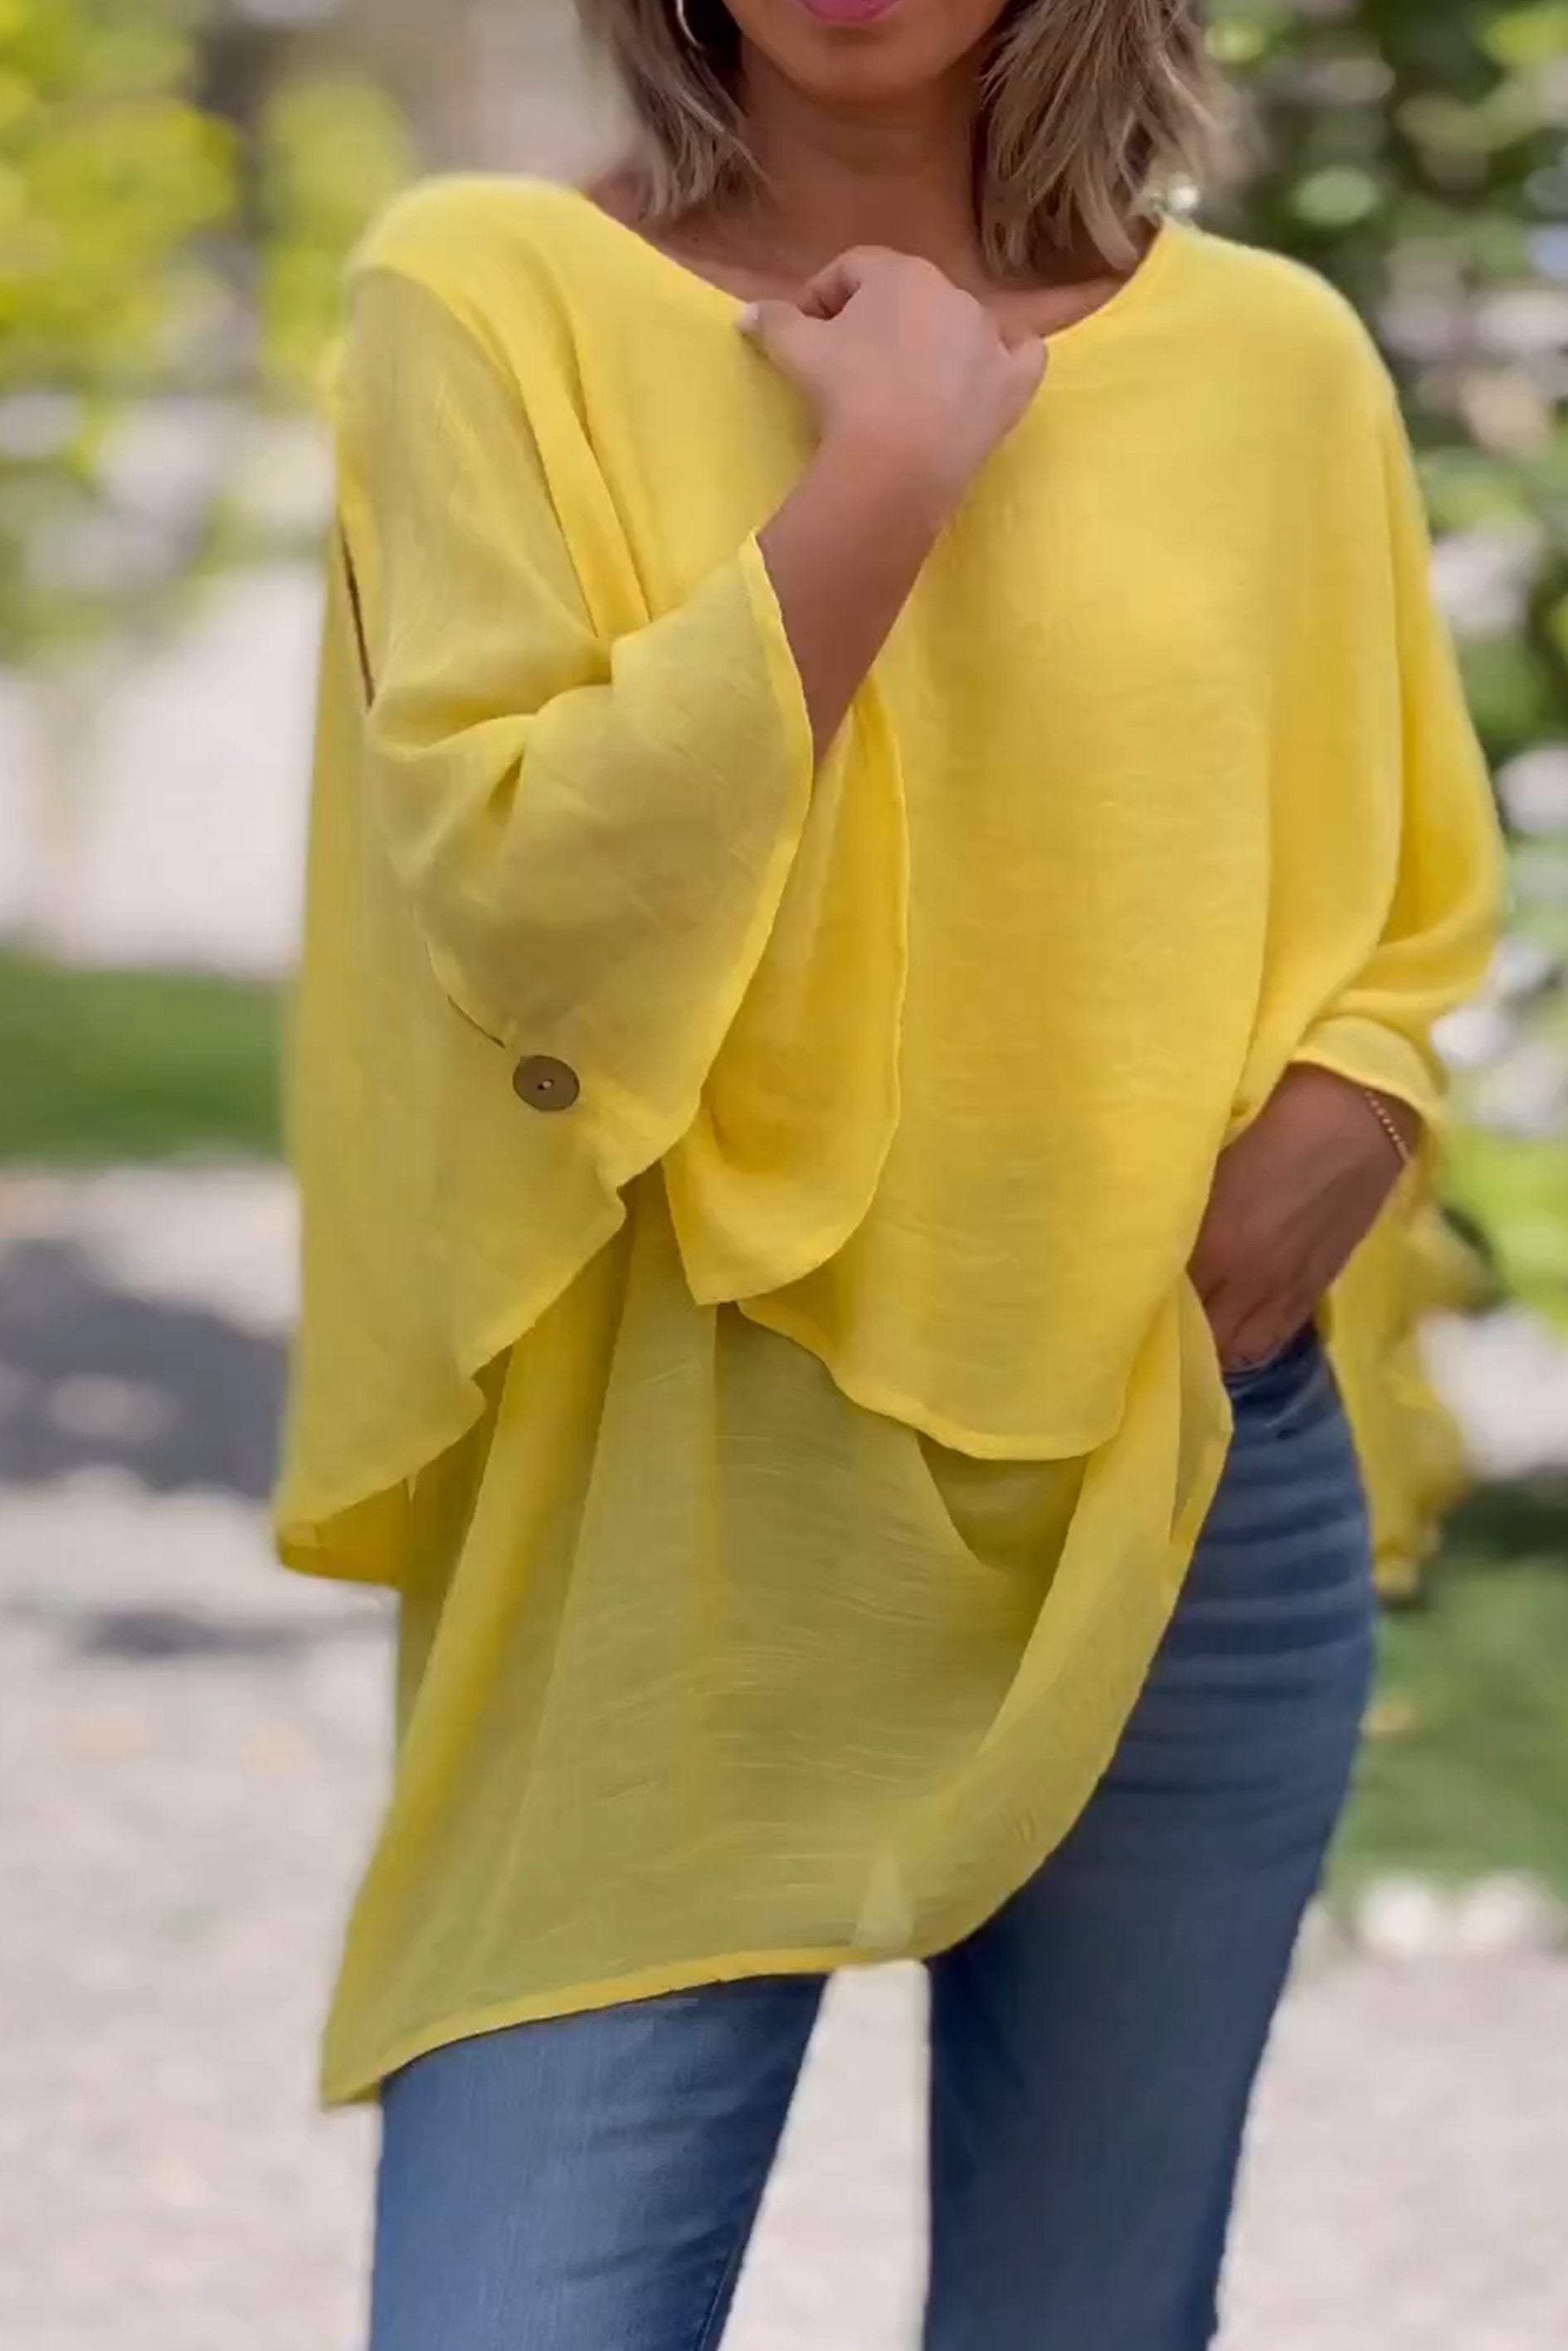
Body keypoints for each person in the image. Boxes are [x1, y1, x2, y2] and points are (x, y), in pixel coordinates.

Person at [275, 2, 1504, 2344]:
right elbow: (528, 912)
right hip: (678, 1492)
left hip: (1180, 1465)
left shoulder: (1276, 361)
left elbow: (1403, 883)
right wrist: (888, 472)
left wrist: (1354, 1107)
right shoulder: (491, 298)